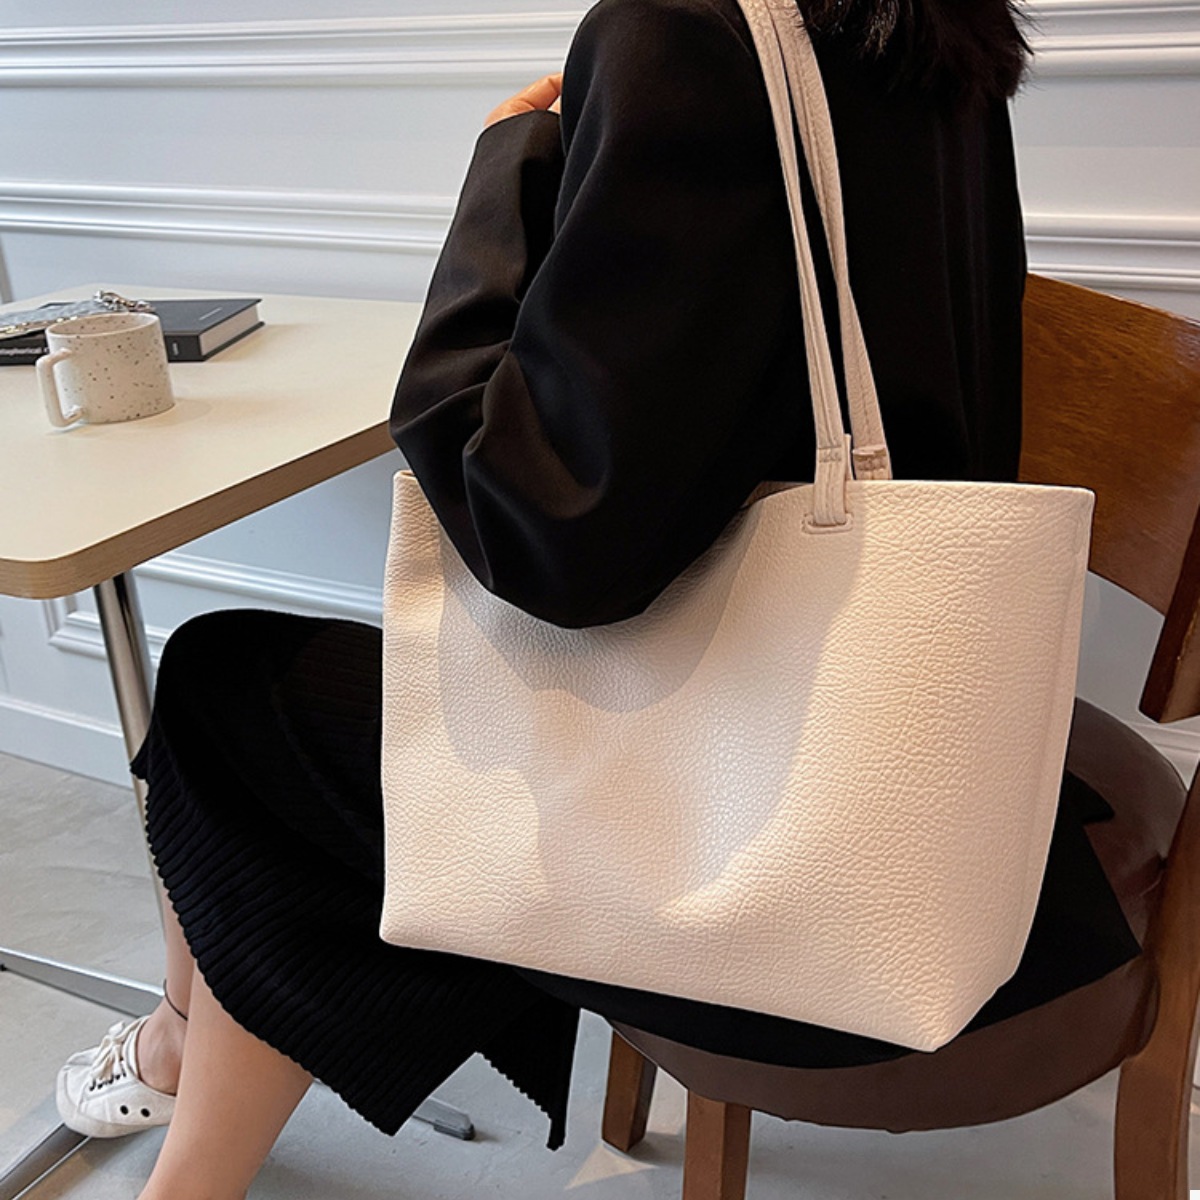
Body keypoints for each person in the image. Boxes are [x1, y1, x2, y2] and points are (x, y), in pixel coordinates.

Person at [54, 1, 1141, 1196]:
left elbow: (541, 541)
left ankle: (179, 1108)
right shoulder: (928, 29)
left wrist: (507, 166)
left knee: (222, 696)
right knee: (261, 717)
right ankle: (174, 1050)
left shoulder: (686, 34)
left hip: (787, 887)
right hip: (923, 766)